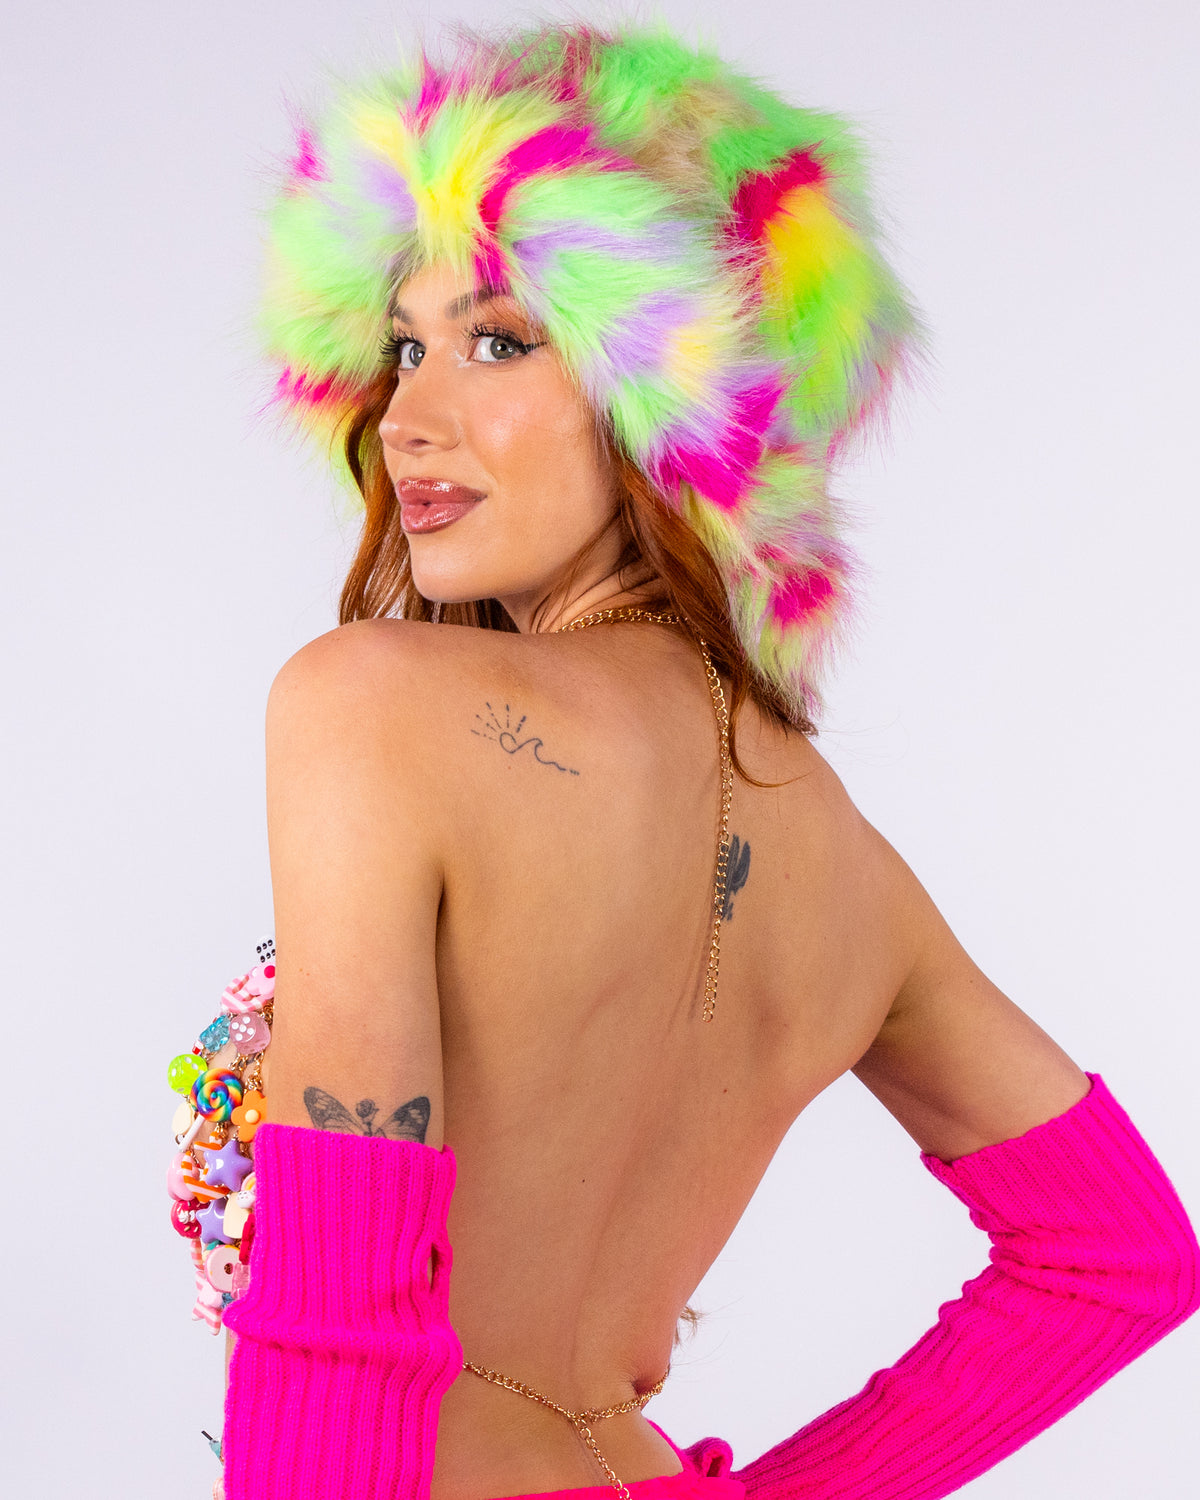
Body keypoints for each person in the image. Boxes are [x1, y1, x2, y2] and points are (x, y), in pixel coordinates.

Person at [180, 19, 1198, 1500]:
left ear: (682, 402)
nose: (406, 418)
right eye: (403, 347)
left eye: (499, 341)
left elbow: (338, 1333)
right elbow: (1116, 1254)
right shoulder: (847, 861)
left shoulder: (373, 706)